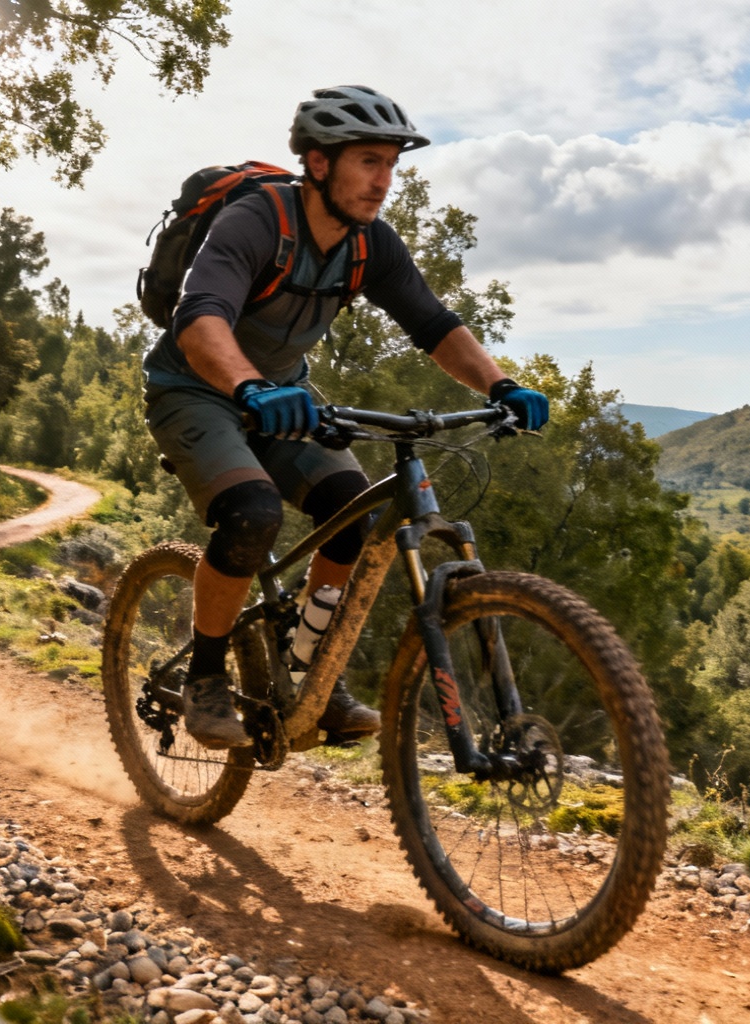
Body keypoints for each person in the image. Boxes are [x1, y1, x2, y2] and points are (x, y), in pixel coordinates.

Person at [142, 85, 551, 750]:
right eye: (368, 161)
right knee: (252, 513)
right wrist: (249, 387)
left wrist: (501, 384)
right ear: (319, 162)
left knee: (351, 513)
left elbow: (433, 322)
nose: (383, 181)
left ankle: (312, 671)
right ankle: (207, 676)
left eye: (391, 164)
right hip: (194, 389)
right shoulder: (256, 221)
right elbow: (200, 316)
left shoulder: (370, 245)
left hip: (284, 396)